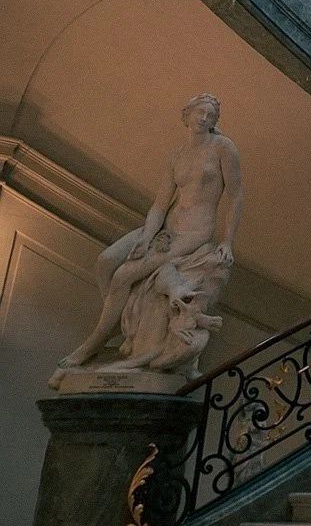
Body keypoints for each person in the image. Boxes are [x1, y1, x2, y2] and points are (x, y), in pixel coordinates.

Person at [52, 94, 242, 378]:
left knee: (122, 276)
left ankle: (93, 343)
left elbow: (237, 196)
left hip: (194, 231)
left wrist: (227, 241)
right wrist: (146, 237)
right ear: (186, 114)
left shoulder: (223, 148)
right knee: (106, 261)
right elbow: (160, 203)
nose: (204, 118)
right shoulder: (176, 154)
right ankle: (123, 322)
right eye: (199, 112)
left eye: (211, 115)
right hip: (166, 225)